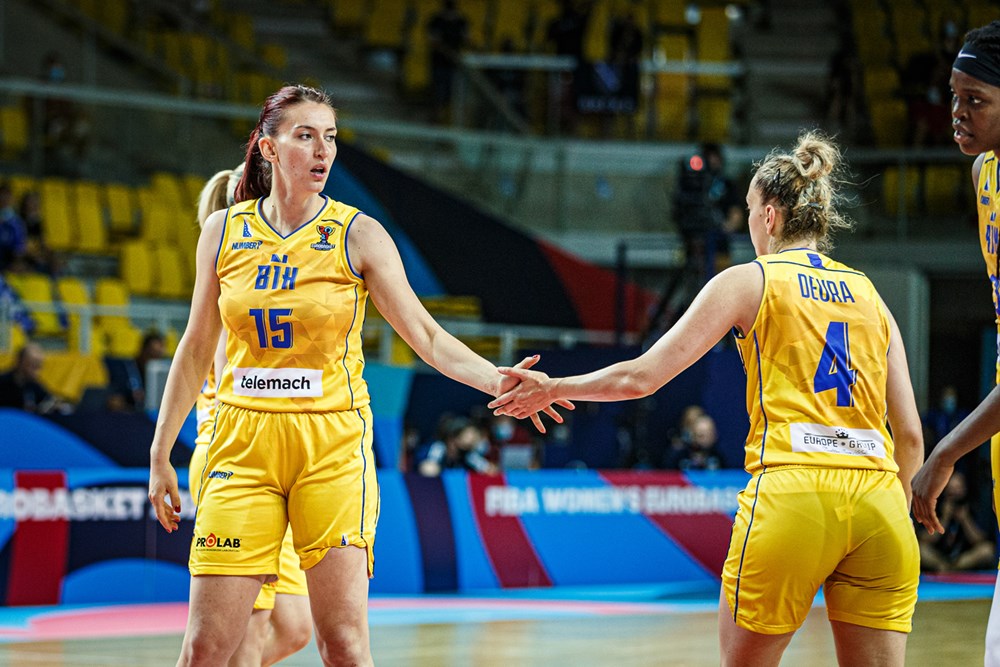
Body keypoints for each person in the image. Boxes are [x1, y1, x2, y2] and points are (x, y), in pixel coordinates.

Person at [146, 84, 568, 666]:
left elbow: (427, 337)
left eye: (331, 137)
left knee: (342, 644)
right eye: (305, 136)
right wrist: (160, 452)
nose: (323, 150)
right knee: (204, 648)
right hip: (240, 444)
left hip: (330, 445)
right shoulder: (222, 232)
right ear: (268, 148)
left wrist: (496, 380)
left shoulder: (358, 233)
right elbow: (196, 347)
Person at [490, 131, 924, 666]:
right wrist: (891, 513)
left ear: (770, 217)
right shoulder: (871, 296)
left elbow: (641, 377)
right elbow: (909, 436)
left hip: (795, 491)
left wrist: (555, 387)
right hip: (880, 498)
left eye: (749, 212)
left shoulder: (749, 281)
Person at [189, 164, 312, 666]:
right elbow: (236, 384)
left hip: (274, 451)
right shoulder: (236, 281)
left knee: (295, 629)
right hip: (237, 452)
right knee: (249, 626)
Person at [912, 19, 1000, 667]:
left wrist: (945, 450)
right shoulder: (984, 175)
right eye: (954, 96)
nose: (958, 112)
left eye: (977, 100)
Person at [917, 470, 996, 573]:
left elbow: (980, 540)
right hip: (939, 556)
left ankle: (954, 568)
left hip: (964, 557)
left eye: (958, 490)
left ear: (965, 489)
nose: (955, 496)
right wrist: (944, 519)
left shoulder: (973, 506)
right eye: (951, 492)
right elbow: (925, 538)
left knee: (987, 550)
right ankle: (944, 566)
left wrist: (965, 520)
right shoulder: (936, 506)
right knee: (919, 548)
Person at [426, 0, 469, 124]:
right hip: (439, 63)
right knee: (439, 92)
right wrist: (449, 53)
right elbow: (434, 41)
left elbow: (466, 39)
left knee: (453, 94)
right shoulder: (436, 21)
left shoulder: (461, 21)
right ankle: (437, 119)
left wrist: (457, 55)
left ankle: (451, 119)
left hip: (455, 64)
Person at [0, 342, 70, 414]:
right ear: (21, 362)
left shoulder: (33, 385)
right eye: (33, 366)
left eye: (39, 367)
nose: (37, 372)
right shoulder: (3, 382)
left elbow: (50, 399)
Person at [417, 414, 496, 476]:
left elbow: (490, 470)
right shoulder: (438, 447)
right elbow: (428, 469)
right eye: (468, 435)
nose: (472, 440)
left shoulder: (468, 455)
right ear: (454, 437)